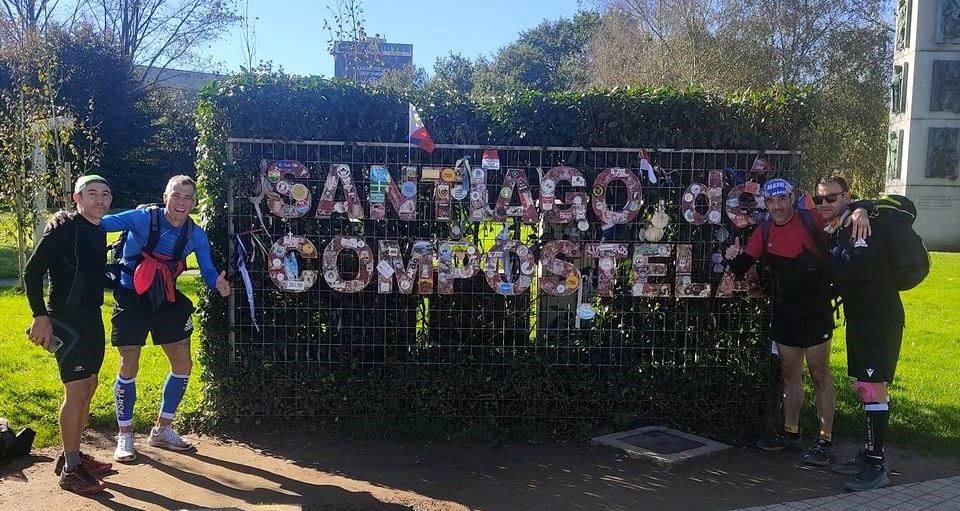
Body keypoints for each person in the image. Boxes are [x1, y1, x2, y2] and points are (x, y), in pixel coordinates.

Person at [53, 175, 230, 462]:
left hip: (167, 299)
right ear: (165, 196)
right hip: (130, 298)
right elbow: (99, 222)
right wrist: (68, 217)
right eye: (176, 195)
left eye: (188, 197)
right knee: (128, 365)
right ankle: (125, 436)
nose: (182, 202)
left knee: (183, 364)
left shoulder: (195, 234)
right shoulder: (142, 219)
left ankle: (163, 429)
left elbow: (208, 270)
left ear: (194, 202)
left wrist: (218, 283)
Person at [726, 178, 842, 466]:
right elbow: (742, 265)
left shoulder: (812, 217)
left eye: (782, 200)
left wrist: (862, 210)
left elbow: (846, 209)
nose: (777, 207)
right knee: (790, 374)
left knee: (819, 374)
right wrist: (730, 260)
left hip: (816, 312)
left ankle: (825, 439)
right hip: (785, 312)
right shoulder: (764, 231)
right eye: (771, 202)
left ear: (792, 199)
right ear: (766, 204)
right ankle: (791, 433)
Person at [24, 175, 115, 494]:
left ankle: (70, 454)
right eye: (92, 194)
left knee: (90, 384)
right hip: (65, 320)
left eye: (105, 194)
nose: (100, 200)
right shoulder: (65, 227)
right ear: (77, 198)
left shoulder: (98, 229)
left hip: (91, 317)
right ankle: (72, 471)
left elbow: (87, 271)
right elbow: (32, 272)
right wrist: (40, 317)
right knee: (76, 391)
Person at [815, 175, 900, 491]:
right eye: (819, 199)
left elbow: (858, 269)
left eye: (831, 198)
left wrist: (828, 259)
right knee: (866, 385)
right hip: (863, 318)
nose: (825, 204)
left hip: (877, 318)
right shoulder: (844, 223)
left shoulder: (856, 224)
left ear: (846, 196)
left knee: (872, 387)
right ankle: (869, 455)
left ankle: (877, 465)